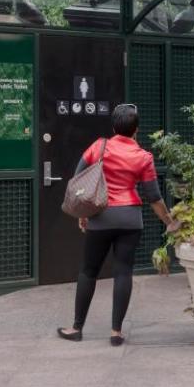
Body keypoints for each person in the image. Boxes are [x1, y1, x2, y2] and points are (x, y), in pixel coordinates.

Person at [57, 104, 180, 346]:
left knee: (88, 271)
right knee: (123, 271)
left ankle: (76, 328)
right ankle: (116, 332)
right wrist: (169, 221)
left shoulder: (98, 146)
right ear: (136, 130)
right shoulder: (144, 157)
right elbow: (154, 197)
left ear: (114, 126)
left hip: (101, 217)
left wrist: (84, 214)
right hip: (130, 219)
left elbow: (79, 181)